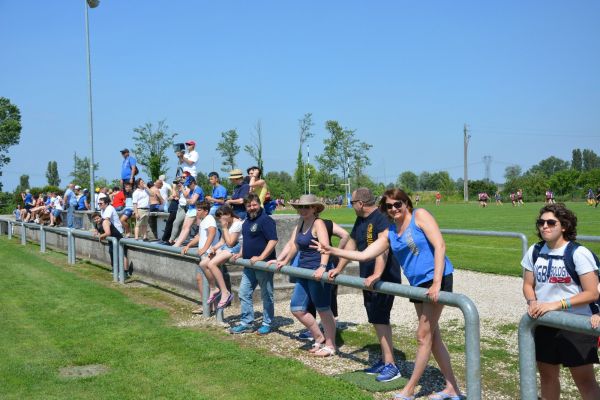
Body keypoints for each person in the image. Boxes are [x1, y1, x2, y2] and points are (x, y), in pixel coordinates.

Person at [314, 188, 461, 400]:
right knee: (433, 336)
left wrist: (437, 282)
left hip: (436, 279)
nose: (394, 209)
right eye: (389, 206)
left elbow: (440, 245)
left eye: (398, 204)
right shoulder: (391, 232)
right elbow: (365, 254)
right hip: (418, 283)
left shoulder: (420, 215)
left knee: (422, 336)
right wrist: (333, 251)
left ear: (406, 203)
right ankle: (451, 388)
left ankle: (409, 390)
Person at [522, 203, 600, 400]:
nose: (544, 226)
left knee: (584, 381)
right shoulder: (535, 250)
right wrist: (532, 301)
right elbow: (528, 284)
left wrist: (556, 305)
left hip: (576, 324)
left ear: (564, 226)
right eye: (541, 222)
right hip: (545, 322)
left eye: (551, 222)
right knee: (547, 378)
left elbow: (592, 293)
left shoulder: (578, 253)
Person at [328, 188, 403, 381]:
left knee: (381, 319)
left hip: (383, 279)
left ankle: (391, 365)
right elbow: (352, 244)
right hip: (367, 278)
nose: (351, 205)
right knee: (376, 320)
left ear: (360, 203)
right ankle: (385, 359)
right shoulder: (360, 220)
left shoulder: (381, 218)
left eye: (352, 202)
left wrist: (377, 274)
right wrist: (339, 268)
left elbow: (383, 249)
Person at [268, 195, 337, 357]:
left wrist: (322, 267)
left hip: (317, 271)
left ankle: (331, 345)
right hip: (303, 270)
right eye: (301, 207)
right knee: (297, 308)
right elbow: (294, 244)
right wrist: (281, 260)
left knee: (323, 309)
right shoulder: (300, 222)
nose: (303, 210)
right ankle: (318, 337)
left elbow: (325, 247)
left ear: (314, 208)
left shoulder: (318, 223)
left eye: (307, 207)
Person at [229, 193, 278, 335]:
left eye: (254, 204)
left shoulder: (266, 220)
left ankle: (267, 323)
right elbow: (247, 240)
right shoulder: (246, 222)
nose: (251, 207)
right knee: (244, 293)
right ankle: (247, 323)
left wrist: (262, 257)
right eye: (249, 205)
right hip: (249, 265)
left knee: (266, 295)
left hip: (264, 264)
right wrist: (241, 253)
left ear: (259, 204)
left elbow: (273, 240)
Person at [182, 201, 221, 314]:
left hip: (209, 255)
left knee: (207, 281)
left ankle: (210, 306)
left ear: (206, 211)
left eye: (199, 210)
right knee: (201, 279)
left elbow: (212, 233)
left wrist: (204, 248)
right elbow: (200, 236)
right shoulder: (204, 221)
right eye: (197, 209)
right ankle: (208, 305)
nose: (197, 212)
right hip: (204, 255)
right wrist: (188, 245)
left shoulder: (209, 219)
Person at [173, 176, 205, 247]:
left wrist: (188, 200)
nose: (188, 186)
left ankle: (177, 244)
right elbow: (186, 196)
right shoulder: (191, 189)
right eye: (186, 185)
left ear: (193, 183)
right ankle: (177, 243)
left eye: (188, 185)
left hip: (196, 209)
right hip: (191, 209)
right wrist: (181, 188)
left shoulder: (198, 189)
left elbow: (193, 201)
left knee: (187, 227)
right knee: (184, 227)